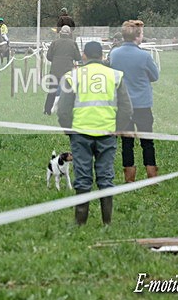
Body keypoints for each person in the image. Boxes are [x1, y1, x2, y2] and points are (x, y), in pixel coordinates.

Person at [56, 41, 132, 226]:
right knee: (106, 176)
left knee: (82, 176)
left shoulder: (72, 76)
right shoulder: (115, 75)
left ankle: (80, 222)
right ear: (103, 55)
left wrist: (69, 130)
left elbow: (63, 110)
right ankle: (107, 222)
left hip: (81, 133)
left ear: (83, 56)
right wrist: (118, 128)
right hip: (107, 133)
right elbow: (126, 108)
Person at [107, 20, 160, 182]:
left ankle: (129, 178)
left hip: (123, 105)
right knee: (147, 141)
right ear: (138, 36)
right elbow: (155, 76)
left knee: (126, 143)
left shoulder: (114, 54)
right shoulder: (144, 56)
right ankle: (151, 176)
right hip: (142, 105)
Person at [44, 25, 81, 115]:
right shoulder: (73, 44)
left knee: (52, 92)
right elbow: (78, 57)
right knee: (69, 92)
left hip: (55, 71)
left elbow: (48, 56)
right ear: (69, 34)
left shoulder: (54, 43)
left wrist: (56, 60)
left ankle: (47, 110)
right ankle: (68, 110)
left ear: (60, 34)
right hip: (68, 72)